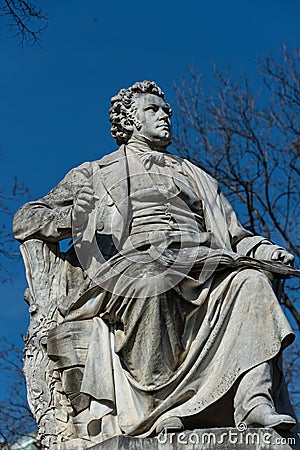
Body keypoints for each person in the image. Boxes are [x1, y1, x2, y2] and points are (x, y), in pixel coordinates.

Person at [13, 81, 298, 447]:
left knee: (251, 282)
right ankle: (160, 407)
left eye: (167, 111)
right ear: (130, 119)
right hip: (132, 264)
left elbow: (235, 234)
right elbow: (26, 219)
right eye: (154, 110)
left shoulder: (197, 176)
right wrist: (73, 216)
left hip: (203, 260)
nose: (165, 115)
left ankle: (254, 402)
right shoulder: (94, 173)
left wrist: (263, 252)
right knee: (151, 283)